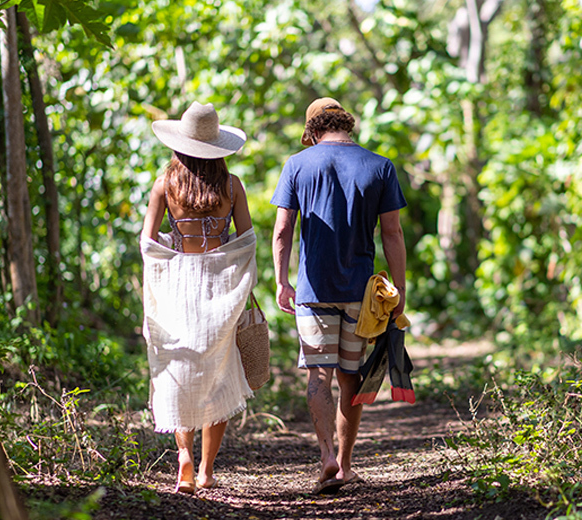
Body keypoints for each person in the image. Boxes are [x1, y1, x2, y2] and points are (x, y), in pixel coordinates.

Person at [271, 97, 408, 494]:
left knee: (319, 375)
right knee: (352, 376)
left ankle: (326, 455)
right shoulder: (379, 166)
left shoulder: (298, 164)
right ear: (347, 126)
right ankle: (346, 467)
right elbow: (393, 234)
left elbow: (282, 231)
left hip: (313, 293)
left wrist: (282, 281)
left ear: (313, 131)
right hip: (360, 293)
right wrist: (398, 290)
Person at [141, 101, 257, 494]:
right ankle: (207, 469)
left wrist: (174, 249)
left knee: (177, 368)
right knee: (219, 372)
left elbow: (148, 242)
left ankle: (184, 456)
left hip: (176, 284)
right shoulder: (232, 186)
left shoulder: (164, 185)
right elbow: (246, 240)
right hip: (220, 285)